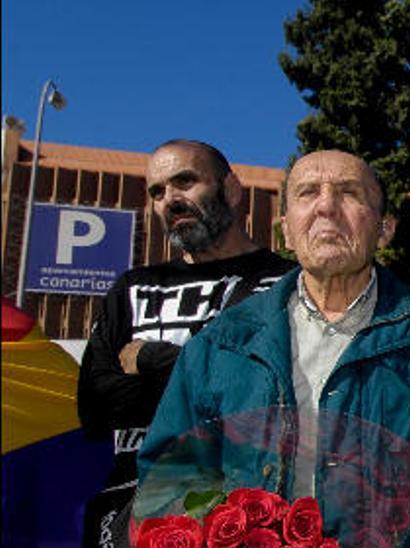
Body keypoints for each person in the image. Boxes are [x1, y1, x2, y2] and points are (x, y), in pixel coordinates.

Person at [135, 150, 410, 545]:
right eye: (308, 193)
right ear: (286, 230)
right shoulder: (220, 346)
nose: (327, 206)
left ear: (384, 228)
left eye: (349, 193)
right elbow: (168, 485)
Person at [77, 139, 296, 547]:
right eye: (157, 192)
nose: (169, 200)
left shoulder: (287, 285)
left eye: (185, 182)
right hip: (133, 509)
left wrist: (152, 359)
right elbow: (97, 403)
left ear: (230, 189)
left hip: (250, 513)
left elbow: (274, 398)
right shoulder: (132, 287)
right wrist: (221, 383)